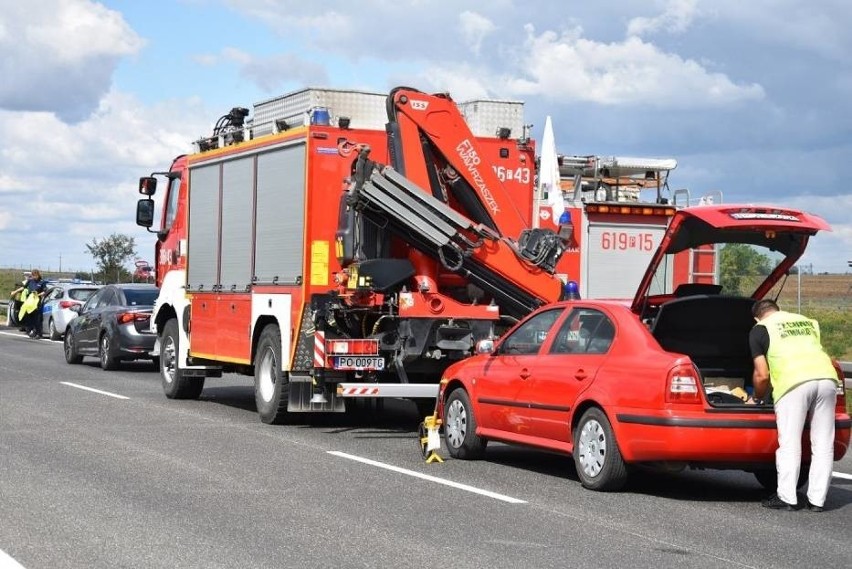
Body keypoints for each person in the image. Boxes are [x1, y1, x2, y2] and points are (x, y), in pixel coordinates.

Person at [748, 299, 842, 512]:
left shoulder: (760, 329)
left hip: (793, 384)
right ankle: (817, 501)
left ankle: (787, 497)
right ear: (777, 310)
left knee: (790, 442)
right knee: (823, 443)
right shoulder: (807, 322)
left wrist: (758, 397)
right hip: (827, 380)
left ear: (757, 317)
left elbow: (762, 374)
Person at [18, 269, 47, 338]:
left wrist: (38, 295)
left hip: (37, 302)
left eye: (35, 275)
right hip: (29, 302)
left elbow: (44, 291)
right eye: (33, 276)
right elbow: (23, 287)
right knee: (29, 317)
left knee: (37, 318)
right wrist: (15, 291)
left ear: (38, 275)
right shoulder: (30, 281)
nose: (34, 277)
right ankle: (31, 331)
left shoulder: (42, 282)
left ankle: (38, 333)